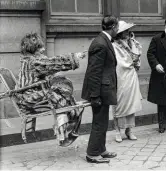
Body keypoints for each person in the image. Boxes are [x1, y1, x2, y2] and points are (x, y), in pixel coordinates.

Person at [16, 33, 86, 145]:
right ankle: (63, 134)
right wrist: (74, 57)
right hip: (29, 97)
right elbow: (53, 63)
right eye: (40, 47)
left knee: (63, 93)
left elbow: (50, 64)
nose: (43, 49)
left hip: (30, 94)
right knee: (61, 98)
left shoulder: (30, 60)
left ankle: (67, 129)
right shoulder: (34, 62)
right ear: (33, 49)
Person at [81, 15, 119, 163]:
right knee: (99, 122)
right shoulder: (100, 44)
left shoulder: (103, 41)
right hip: (100, 91)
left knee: (102, 121)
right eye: (117, 27)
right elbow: (94, 72)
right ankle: (92, 153)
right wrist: (95, 96)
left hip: (104, 90)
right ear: (113, 27)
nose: (118, 30)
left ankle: (101, 149)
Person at [111, 20, 142, 143]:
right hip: (119, 77)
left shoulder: (132, 43)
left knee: (131, 102)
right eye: (125, 31)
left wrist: (133, 42)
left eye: (128, 31)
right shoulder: (114, 45)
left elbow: (136, 57)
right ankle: (117, 130)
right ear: (120, 33)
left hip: (131, 76)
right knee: (119, 103)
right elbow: (117, 62)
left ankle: (129, 130)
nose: (128, 33)